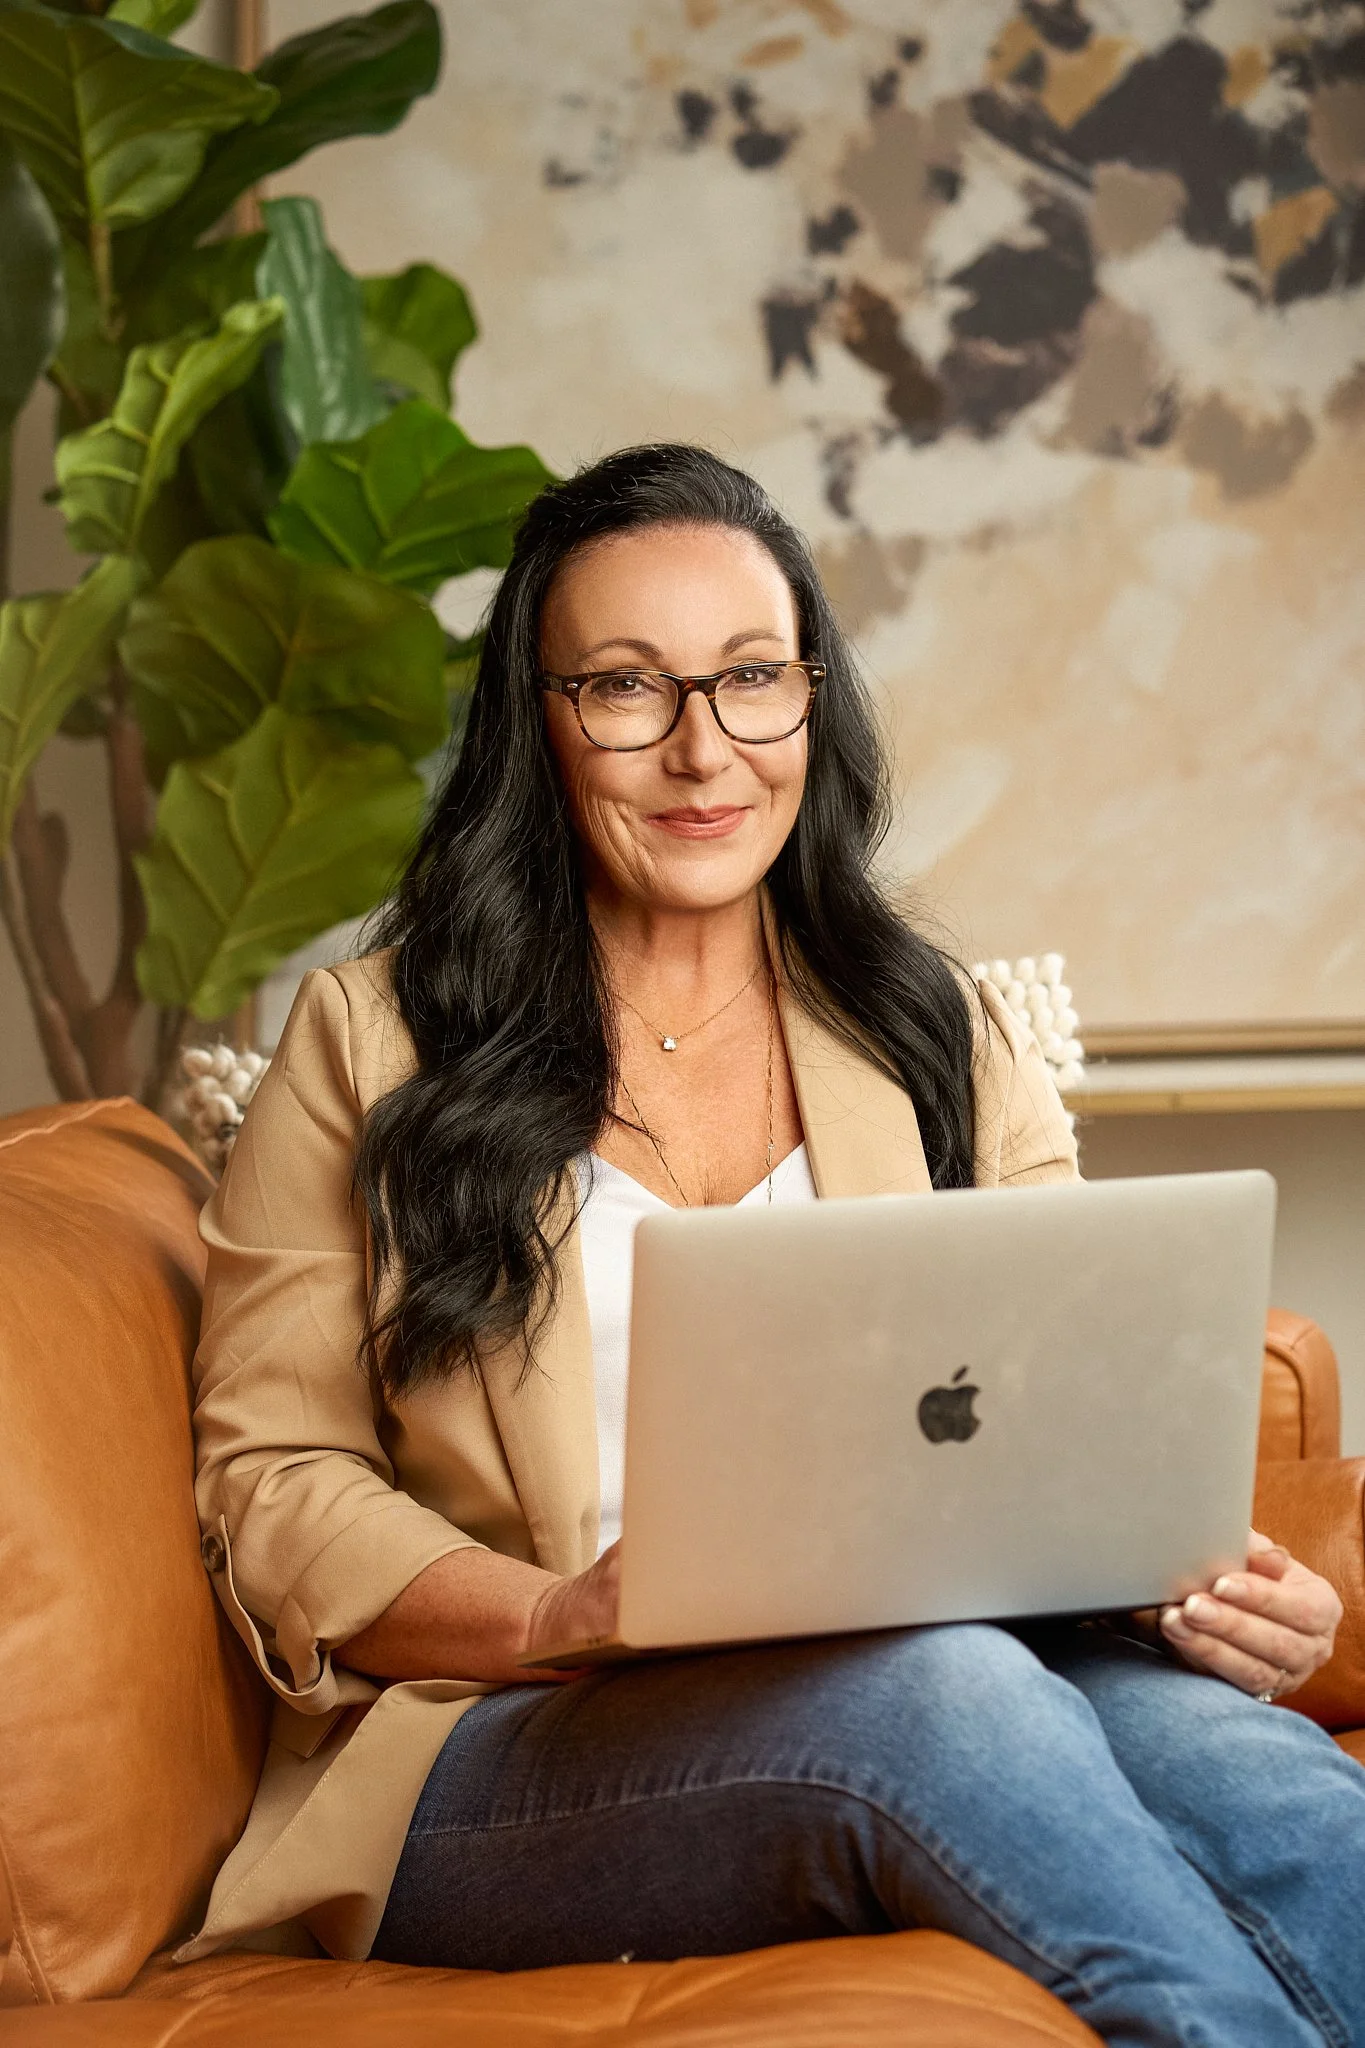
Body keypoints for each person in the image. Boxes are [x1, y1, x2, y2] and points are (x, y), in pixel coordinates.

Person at [187, 445, 1364, 2047]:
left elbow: (1057, 1432)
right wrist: (554, 1615)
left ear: (812, 698)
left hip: (957, 1670)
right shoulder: (370, 1041)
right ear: (535, 720)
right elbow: (273, 1481)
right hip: (515, 1744)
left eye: (752, 679)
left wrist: (1195, 1588)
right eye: (624, 688)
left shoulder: (928, 1027)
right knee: (949, 1702)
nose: (701, 751)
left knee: (1281, 1795)